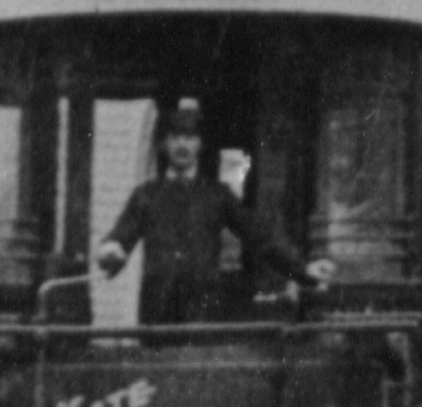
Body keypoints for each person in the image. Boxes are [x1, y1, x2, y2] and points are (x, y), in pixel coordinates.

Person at [94, 102, 322, 325]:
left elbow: (261, 238)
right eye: (175, 138)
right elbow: (118, 240)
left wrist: (303, 270)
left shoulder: (217, 195)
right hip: (158, 313)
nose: (182, 145)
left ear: (200, 144)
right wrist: (110, 250)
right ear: (163, 144)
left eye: (190, 138)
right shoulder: (146, 196)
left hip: (203, 311)